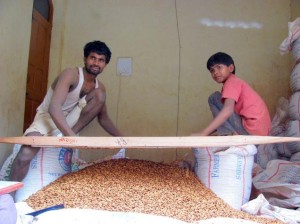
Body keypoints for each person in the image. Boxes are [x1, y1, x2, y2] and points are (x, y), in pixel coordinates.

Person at [10, 40, 123, 184]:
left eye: (101, 60)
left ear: (105, 65)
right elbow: (54, 108)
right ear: (85, 59)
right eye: (92, 58)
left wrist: (123, 139)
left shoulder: (98, 88)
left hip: (70, 122)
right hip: (47, 119)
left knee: (100, 94)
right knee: (26, 153)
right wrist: (72, 138)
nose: (96, 63)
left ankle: (66, 134)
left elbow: (103, 118)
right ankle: (8, 198)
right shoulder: (71, 74)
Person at [192, 52, 271, 136]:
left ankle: (228, 135)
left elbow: (227, 111)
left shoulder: (231, 82)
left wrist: (203, 133)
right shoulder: (235, 82)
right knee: (221, 105)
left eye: (219, 67)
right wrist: (207, 133)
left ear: (231, 68)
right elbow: (224, 117)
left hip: (251, 133)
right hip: (260, 133)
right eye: (212, 70)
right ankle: (227, 133)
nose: (215, 72)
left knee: (214, 97)